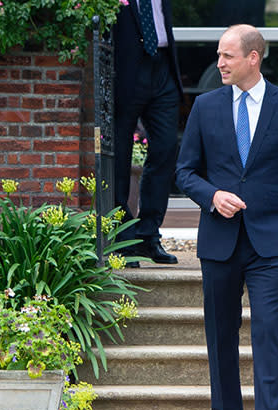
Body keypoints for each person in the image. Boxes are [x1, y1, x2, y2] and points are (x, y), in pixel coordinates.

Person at [175, 25, 278, 410]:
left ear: (253, 58)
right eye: (219, 55)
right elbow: (184, 172)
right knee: (220, 337)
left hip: (269, 243)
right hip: (218, 242)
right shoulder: (204, 106)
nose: (219, 62)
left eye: (227, 55)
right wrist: (211, 196)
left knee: (265, 334)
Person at [113, 0, 183, 268]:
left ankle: (148, 233)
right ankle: (123, 237)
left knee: (165, 149)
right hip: (128, 72)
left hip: (162, 67)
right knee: (120, 156)